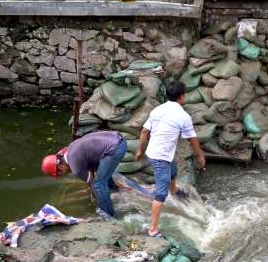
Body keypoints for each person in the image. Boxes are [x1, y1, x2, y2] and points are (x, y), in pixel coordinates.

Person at [135, 80, 206, 238]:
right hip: (160, 156)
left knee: (173, 170)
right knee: (160, 193)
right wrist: (200, 156)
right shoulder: (183, 116)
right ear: (182, 96)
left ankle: (174, 190)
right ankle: (153, 229)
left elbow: (144, 132)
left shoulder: (157, 110)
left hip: (156, 152)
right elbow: (192, 140)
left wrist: (140, 150)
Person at [41, 130, 127, 218]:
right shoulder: (70, 150)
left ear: (61, 167)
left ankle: (109, 216)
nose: (64, 175)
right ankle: (115, 190)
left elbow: (92, 183)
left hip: (114, 149)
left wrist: (95, 197)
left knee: (98, 185)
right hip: (117, 140)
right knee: (101, 174)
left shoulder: (76, 168)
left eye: (60, 174)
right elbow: (92, 166)